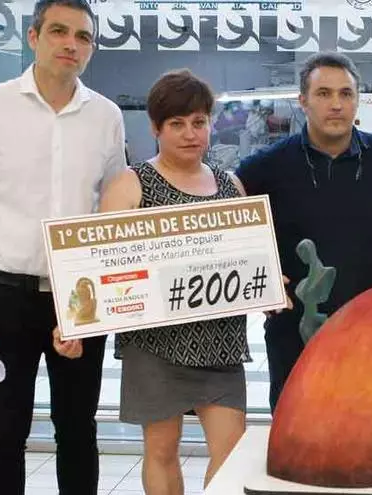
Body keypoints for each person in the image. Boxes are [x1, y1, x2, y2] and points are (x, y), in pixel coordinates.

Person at [0, 0, 126, 492]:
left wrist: (107, 297)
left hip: (81, 295)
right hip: (5, 296)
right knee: (5, 431)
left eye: (83, 37)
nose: (71, 44)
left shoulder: (106, 116)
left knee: (78, 429)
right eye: (59, 31)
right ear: (33, 38)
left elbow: (115, 213)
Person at [70, 70, 253, 493]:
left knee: (232, 451)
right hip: (154, 343)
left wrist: (268, 281)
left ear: (210, 124)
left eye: (199, 122)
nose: (190, 133)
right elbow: (98, 266)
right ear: (156, 128)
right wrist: (75, 321)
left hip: (220, 339)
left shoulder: (231, 185)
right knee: (161, 450)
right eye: (176, 123)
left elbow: (249, 256)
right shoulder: (131, 184)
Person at [236, 52, 372, 411]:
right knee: (296, 434)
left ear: (357, 100)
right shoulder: (267, 166)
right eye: (323, 93)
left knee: (367, 432)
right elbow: (230, 229)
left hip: (370, 332)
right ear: (303, 101)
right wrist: (260, 279)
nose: (336, 104)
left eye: (345, 94)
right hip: (293, 336)